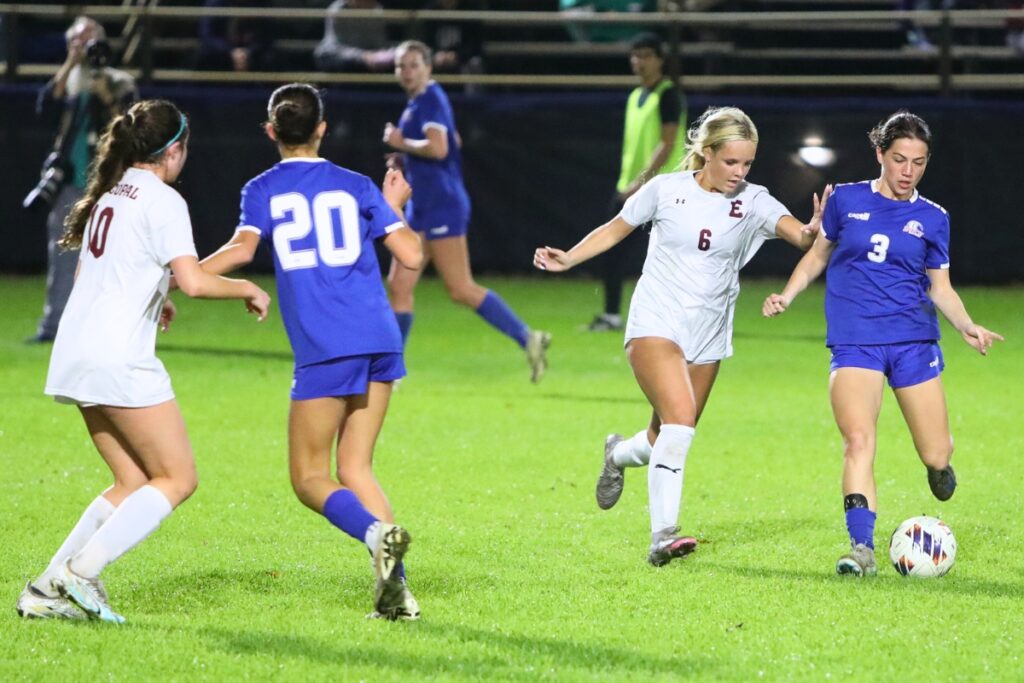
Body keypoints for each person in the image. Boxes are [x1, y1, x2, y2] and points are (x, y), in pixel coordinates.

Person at [534, 107, 829, 566]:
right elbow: (617, 229)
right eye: (731, 162)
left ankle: (618, 454)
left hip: (709, 334)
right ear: (706, 153)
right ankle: (662, 536)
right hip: (656, 322)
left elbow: (801, 237)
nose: (740, 172)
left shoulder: (754, 201)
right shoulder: (665, 190)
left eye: (747, 164)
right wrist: (569, 258)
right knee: (680, 423)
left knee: (663, 435)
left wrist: (813, 230)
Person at [16, 99, 272, 622]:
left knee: (132, 481)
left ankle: (46, 589)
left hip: (76, 351)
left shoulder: (110, 194)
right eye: (186, 148)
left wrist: (158, 295)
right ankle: (81, 573)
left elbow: (112, 274)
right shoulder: (164, 200)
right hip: (118, 357)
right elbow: (197, 280)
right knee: (177, 478)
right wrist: (246, 285)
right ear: (173, 150)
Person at [194, 83, 424, 620]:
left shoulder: (262, 188)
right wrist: (392, 208)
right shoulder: (357, 184)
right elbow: (410, 256)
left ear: (272, 131)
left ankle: (376, 535)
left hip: (327, 345)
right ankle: (398, 596)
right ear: (322, 128)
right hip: (379, 338)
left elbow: (243, 249)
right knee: (356, 466)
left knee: (308, 477)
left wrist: (182, 276)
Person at [762, 111, 1003, 577]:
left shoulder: (934, 218)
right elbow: (816, 257)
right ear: (880, 155)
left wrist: (966, 326)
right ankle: (861, 548)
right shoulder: (846, 200)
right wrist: (786, 295)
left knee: (935, 452)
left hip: (914, 342)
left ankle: (937, 466)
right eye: (898, 159)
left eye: (918, 162)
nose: (907, 171)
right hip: (856, 344)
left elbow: (940, 287)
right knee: (858, 440)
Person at [384, 40, 552, 383]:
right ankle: (392, 370)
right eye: (401, 65)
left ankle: (527, 338)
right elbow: (453, 142)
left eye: (414, 64)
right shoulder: (420, 102)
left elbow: (440, 146)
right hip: (423, 206)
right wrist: (407, 157)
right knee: (399, 284)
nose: (407, 71)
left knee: (460, 288)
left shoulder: (430, 98)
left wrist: (403, 144)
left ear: (429, 68)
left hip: (442, 205)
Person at [26, 15, 137, 343]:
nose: (84, 46)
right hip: (72, 179)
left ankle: (112, 327)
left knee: (113, 255)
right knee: (63, 252)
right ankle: (53, 327)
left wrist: (106, 96)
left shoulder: (118, 80)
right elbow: (44, 109)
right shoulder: (70, 81)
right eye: (77, 39)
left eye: (89, 39)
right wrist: (69, 63)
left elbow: (130, 126)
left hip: (110, 182)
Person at [589, 32, 687, 332]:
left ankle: (679, 320)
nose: (639, 62)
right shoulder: (635, 96)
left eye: (646, 55)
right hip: (631, 188)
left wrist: (639, 183)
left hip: (663, 192)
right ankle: (611, 315)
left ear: (660, 60)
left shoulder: (668, 94)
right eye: (635, 55)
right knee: (610, 248)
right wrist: (628, 185)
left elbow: (667, 144)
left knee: (673, 260)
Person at [314, 0, 395, 73]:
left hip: (367, 58)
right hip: (338, 55)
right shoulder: (338, 10)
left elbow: (378, 43)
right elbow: (338, 47)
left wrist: (380, 55)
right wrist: (363, 56)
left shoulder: (377, 10)